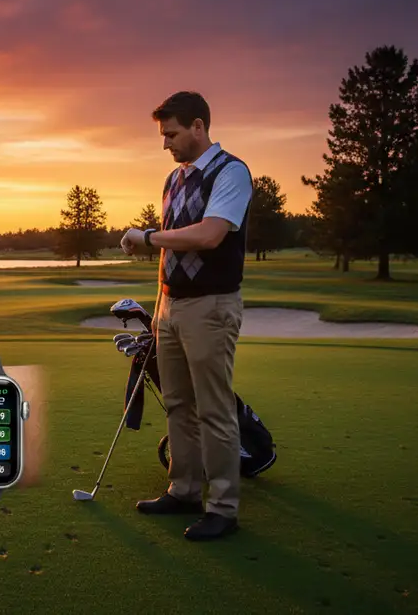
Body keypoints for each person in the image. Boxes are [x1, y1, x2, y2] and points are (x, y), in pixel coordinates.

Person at [120, 91, 253, 541]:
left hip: (212, 306)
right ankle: (184, 489)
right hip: (171, 307)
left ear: (199, 126)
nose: (166, 144)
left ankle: (223, 508)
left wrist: (148, 236)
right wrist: (159, 306)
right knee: (177, 403)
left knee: (214, 409)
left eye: (172, 134)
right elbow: (171, 252)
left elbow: (210, 235)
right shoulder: (173, 180)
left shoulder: (231, 172)